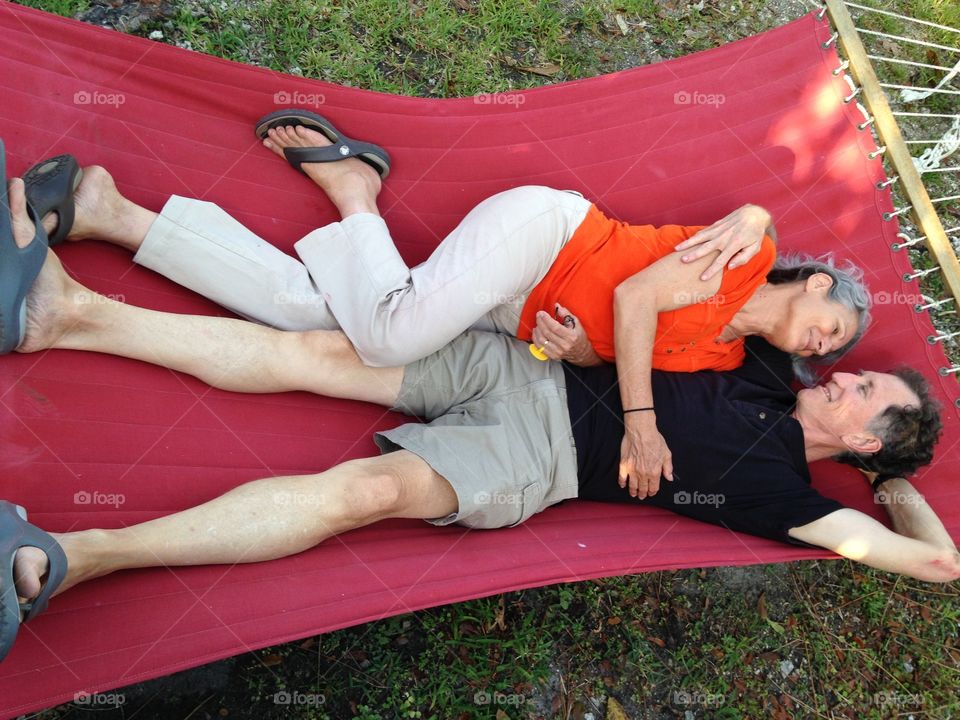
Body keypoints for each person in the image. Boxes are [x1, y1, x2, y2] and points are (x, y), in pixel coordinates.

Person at [1, 223, 954, 659]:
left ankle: (78, 555)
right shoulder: (760, 363)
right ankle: (67, 312)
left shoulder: (799, 502)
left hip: (535, 464)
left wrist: (893, 491)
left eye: (864, 390)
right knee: (313, 352)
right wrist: (752, 222)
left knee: (356, 496)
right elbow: (667, 295)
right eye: (858, 366)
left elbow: (939, 568)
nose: (845, 374)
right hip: (525, 362)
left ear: (868, 443)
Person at [11, 115, 870, 498]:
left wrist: (579, 355)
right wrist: (640, 425)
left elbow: (615, 346)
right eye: (837, 329)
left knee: (314, 313)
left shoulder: (724, 360)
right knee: (388, 334)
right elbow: (641, 294)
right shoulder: (745, 251)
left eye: (835, 354)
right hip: (545, 236)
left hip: (517, 317)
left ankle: (109, 213)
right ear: (817, 285)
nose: (828, 350)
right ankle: (357, 193)